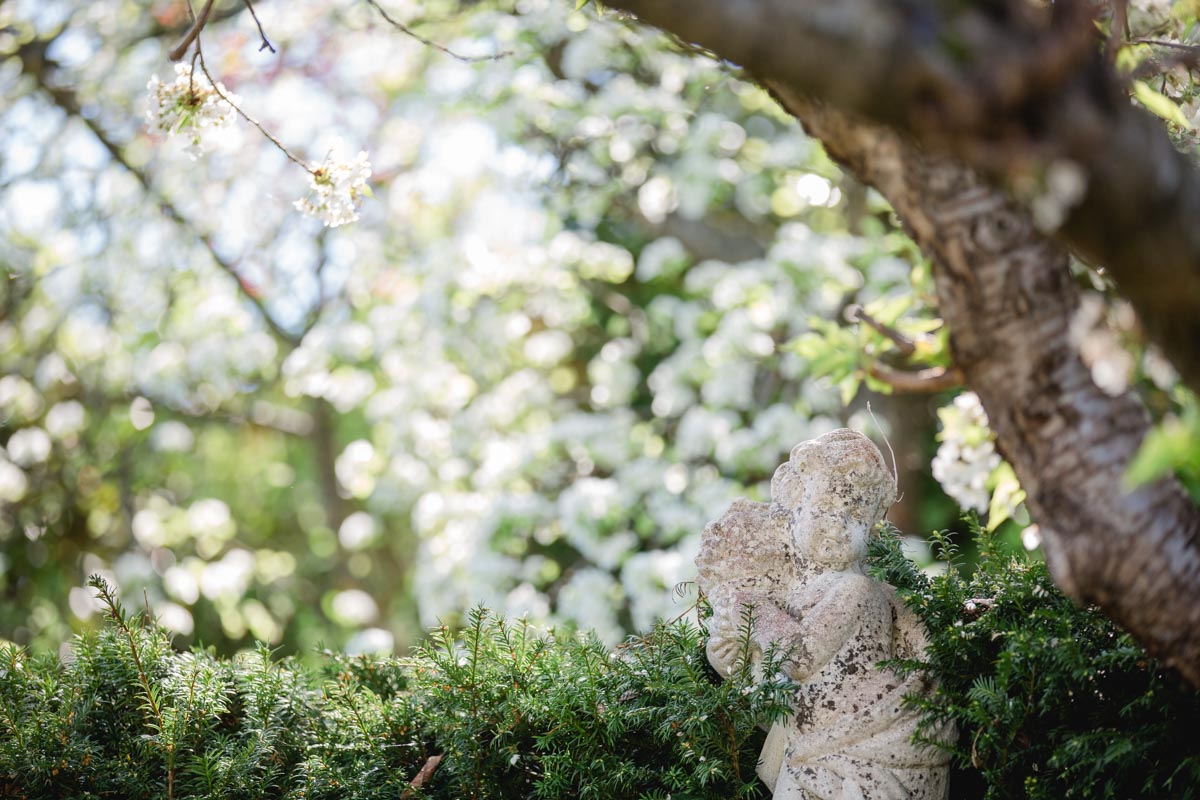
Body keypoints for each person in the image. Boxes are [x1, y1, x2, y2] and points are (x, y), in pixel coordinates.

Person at [696, 429, 950, 800]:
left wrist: (752, 611)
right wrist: (728, 661)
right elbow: (777, 701)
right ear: (793, 505)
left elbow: (800, 657)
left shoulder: (856, 590)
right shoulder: (795, 598)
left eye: (856, 515)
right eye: (828, 506)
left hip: (861, 762)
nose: (839, 523)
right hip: (810, 756)